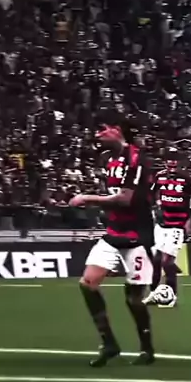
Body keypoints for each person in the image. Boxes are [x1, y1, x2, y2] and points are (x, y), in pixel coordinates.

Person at [69, 122, 155, 367]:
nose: (98, 134)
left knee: (134, 299)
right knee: (87, 283)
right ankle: (109, 343)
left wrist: (87, 198)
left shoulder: (137, 159)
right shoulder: (108, 159)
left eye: (103, 129)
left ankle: (147, 349)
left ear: (117, 131)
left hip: (138, 237)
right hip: (113, 233)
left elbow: (125, 199)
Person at [144, 147, 191, 307]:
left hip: (176, 226)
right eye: (169, 159)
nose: (171, 162)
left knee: (167, 262)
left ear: (179, 162)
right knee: (156, 260)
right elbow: (151, 194)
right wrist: (156, 206)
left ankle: (172, 296)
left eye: (175, 159)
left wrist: (190, 220)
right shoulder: (159, 176)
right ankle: (154, 293)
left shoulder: (187, 179)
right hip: (161, 225)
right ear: (165, 161)